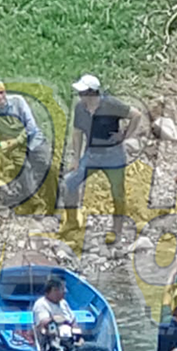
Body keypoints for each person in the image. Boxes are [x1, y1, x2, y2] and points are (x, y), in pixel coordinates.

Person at [61, 74, 143, 240]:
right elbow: (77, 134)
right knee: (70, 183)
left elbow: (136, 115)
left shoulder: (111, 105)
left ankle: (117, 230)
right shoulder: (79, 108)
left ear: (92, 92)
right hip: (92, 154)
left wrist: (125, 136)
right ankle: (71, 222)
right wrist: (76, 158)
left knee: (118, 192)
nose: (79, 95)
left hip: (114, 156)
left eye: (82, 92)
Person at [0, 80, 50, 208]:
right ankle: (34, 201)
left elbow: (31, 125)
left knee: (45, 164)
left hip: (33, 139)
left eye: (1, 92)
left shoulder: (18, 102)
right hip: (14, 146)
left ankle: (51, 195)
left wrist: (18, 140)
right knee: (22, 168)